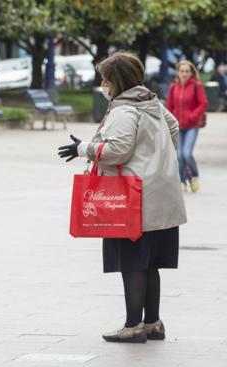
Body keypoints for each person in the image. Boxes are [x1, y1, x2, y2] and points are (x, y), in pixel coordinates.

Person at [57, 51, 186, 343]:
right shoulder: (151, 103)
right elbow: (174, 128)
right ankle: (152, 322)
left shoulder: (123, 110)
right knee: (151, 261)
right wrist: (158, 160)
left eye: (105, 79)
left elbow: (118, 149)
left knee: (132, 261)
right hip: (159, 194)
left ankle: (133, 326)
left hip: (133, 200)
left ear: (116, 80)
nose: (104, 84)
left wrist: (84, 148)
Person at [166, 60, 208, 193]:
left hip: (192, 126)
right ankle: (182, 182)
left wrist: (192, 116)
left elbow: (203, 104)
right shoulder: (173, 87)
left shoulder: (197, 85)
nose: (184, 74)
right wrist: (171, 120)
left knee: (186, 154)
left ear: (191, 73)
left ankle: (194, 176)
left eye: (187, 71)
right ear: (177, 72)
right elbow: (170, 106)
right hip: (177, 126)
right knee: (179, 156)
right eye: (182, 71)